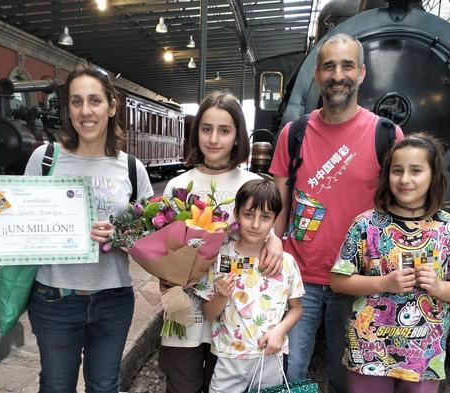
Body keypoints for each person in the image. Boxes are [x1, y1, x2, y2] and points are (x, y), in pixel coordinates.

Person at [0, 65, 153, 393]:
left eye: (94, 101)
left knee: (105, 386)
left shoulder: (132, 168)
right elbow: (13, 201)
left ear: (111, 106)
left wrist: (122, 236)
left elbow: (152, 234)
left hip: (113, 299)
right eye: (76, 102)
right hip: (54, 300)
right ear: (69, 109)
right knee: (56, 386)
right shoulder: (45, 158)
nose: (85, 111)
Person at [269, 33, 404, 392]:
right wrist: (274, 246)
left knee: (346, 378)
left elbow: (401, 206)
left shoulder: (387, 135)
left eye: (347, 66)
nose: (337, 75)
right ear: (317, 75)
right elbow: (279, 198)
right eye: (329, 66)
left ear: (361, 73)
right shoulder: (293, 133)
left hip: (357, 280)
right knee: (289, 370)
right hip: (300, 276)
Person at [330, 133, 450, 393]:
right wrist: (384, 282)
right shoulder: (366, 225)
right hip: (369, 352)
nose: (405, 179)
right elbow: (338, 281)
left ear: (433, 175)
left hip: (423, 354)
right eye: (397, 170)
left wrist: (438, 288)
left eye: (416, 170)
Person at [159, 91, 284, 393]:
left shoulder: (253, 185)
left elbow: (266, 230)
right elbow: (162, 247)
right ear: (196, 132)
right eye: (206, 128)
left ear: (238, 137)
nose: (214, 139)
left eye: (224, 130)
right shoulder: (178, 185)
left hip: (233, 314)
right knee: (182, 384)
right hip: (183, 306)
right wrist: (165, 272)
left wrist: (275, 240)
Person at [196, 179, 304, 393]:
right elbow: (208, 314)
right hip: (229, 358)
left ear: (274, 219)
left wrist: (280, 331)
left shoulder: (286, 262)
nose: (255, 225)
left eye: (265, 217)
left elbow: (296, 308)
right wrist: (221, 297)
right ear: (236, 213)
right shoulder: (220, 258)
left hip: (270, 357)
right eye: (248, 215)